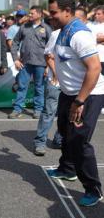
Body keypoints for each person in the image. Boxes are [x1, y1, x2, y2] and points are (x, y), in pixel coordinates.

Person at [47, 0, 104, 207]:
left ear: (67, 12)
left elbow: (95, 68)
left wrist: (79, 101)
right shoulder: (62, 30)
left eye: (54, 13)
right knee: (64, 131)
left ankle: (93, 188)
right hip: (68, 92)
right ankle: (67, 169)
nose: (50, 16)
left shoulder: (79, 34)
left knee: (79, 141)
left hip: (88, 94)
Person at [9, 6, 52, 119]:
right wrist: (16, 59)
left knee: (39, 87)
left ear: (39, 14)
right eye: (29, 13)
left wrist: (49, 66)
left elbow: (52, 47)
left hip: (41, 63)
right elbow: (15, 43)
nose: (29, 15)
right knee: (22, 86)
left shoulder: (46, 28)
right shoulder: (24, 27)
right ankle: (17, 109)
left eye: (32, 13)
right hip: (25, 63)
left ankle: (38, 110)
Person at [32, 20, 62, 156]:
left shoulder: (82, 34)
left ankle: (59, 139)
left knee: (65, 114)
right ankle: (40, 142)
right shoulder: (56, 34)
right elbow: (48, 55)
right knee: (49, 112)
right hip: (55, 82)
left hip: (72, 84)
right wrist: (55, 73)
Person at [87, 6, 104, 114]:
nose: (96, 15)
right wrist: (98, 39)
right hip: (96, 59)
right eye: (95, 14)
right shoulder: (90, 25)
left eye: (99, 14)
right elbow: (89, 39)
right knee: (96, 82)